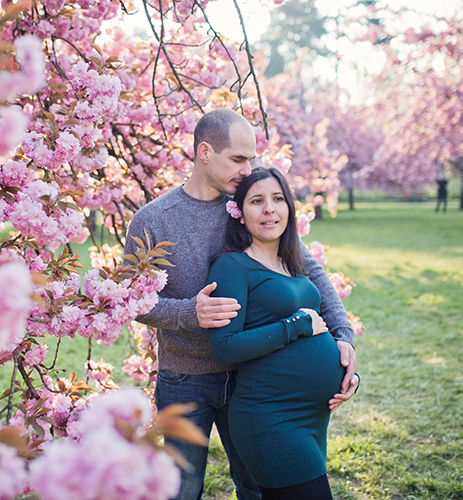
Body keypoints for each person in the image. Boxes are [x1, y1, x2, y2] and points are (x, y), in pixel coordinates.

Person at [124, 109, 359, 500]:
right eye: (237, 158)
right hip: (187, 378)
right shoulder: (154, 220)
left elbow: (311, 270)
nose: (247, 168)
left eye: (250, 157)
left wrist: (342, 333)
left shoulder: (250, 206)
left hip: (253, 378)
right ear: (204, 152)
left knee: (256, 487)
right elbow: (134, 301)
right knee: (182, 489)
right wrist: (189, 312)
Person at [207, 167, 358, 500]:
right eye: (257, 201)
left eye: (277, 199)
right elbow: (225, 348)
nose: (269, 209)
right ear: (239, 213)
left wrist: (347, 372)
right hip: (269, 418)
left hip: (312, 419)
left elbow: (320, 326)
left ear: (289, 207)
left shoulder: (292, 263)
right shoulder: (232, 267)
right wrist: (294, 327)